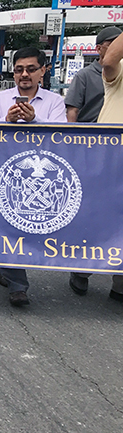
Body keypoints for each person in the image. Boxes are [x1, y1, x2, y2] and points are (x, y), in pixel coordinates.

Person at [0, 47, 67, 306]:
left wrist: (36, 121)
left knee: (23, 223)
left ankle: (10, 277)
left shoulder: (55, 101)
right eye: (19, 70)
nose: (24, 74)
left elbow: (63, 135)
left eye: (31, 69)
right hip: (5, 172)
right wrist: (6, 121)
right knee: (4, 222)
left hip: (40, 179)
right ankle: (11, 277)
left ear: (43, 71)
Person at [63, 27, 123, 301]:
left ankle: (119, 280)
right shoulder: (103, 73)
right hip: (99, 154)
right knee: (95, 214)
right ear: (100, 48)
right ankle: (82, 268)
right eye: (110, 44)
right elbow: (72, 113)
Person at [65, 27, 121, 123]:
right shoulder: (84, 75)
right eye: (112, 45)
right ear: (99, 49)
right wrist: (71, 134)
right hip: (90, 132)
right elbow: (72, 110)